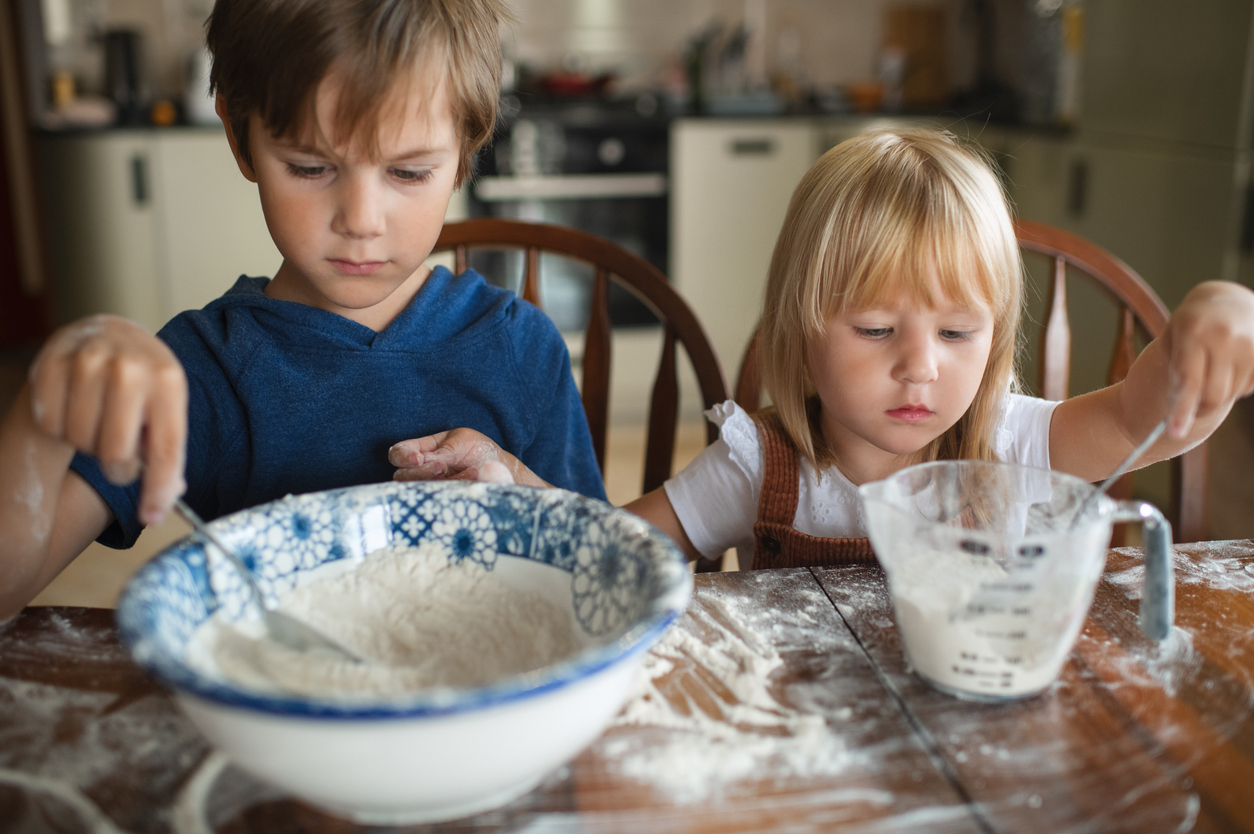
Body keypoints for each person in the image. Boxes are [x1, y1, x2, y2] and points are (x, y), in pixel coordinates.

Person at [389, 127, 1254, 570]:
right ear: (804, 326)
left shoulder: (1019, 446)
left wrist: (1214, 313)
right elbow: (615, 546)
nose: (921, 365)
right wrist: (515, 483)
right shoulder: (759, 466)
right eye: (877, 330)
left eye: (958, 333)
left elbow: (1153, 418)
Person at [0, 0, 604, 619]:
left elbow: (599, 569)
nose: (361, 221)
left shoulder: (519, 346)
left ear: (464, 152)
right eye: (310, 167)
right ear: (240, 138)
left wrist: (516, 484)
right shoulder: (203, 372)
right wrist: (45, 407)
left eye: (409, 171)